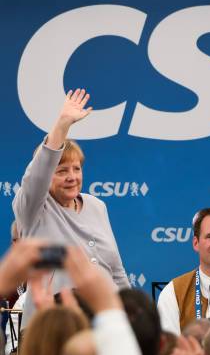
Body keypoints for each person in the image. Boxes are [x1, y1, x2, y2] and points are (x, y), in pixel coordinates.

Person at [13, 88, 129, 327]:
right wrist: (63, 124)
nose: (72, 177)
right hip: (53, 328)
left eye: (76, 169)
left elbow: (116, 270)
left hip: (105, 323)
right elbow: (37, 175)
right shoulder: (34, 208)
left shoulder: (97, 206)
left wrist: (131, 316)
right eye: (61, 171)